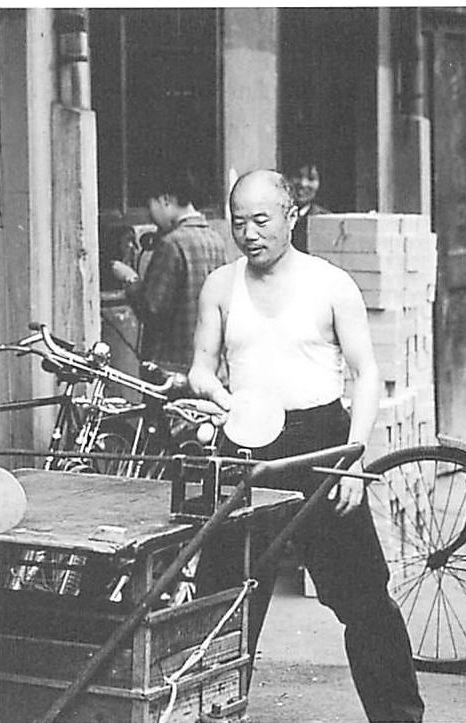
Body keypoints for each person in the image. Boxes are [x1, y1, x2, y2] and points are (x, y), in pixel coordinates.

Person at [188, 170, 424, 722]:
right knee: (224, 600)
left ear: (292, 216)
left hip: (321, 444)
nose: (249, 233)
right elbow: (201, 366)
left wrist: (352, 456)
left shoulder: (331, 283)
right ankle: (209, 713)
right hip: (245, 446)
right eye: (239, 221)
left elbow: (366, 374)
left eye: (261, 220)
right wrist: (216, 392)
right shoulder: (221, 286)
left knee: (364, 598)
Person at [110, 166, 227, 373]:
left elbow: (152, 311)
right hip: (206, 365)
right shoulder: (216, 241)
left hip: (169, 366)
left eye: (151, 207)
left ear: (165, 199)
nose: (150, 216)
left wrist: (130, 278)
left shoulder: (172, 243)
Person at [286, 161, 330, 253]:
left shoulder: (325, 219)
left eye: (311, 178)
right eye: (297, 176)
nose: (303, 183)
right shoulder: (277, 215)